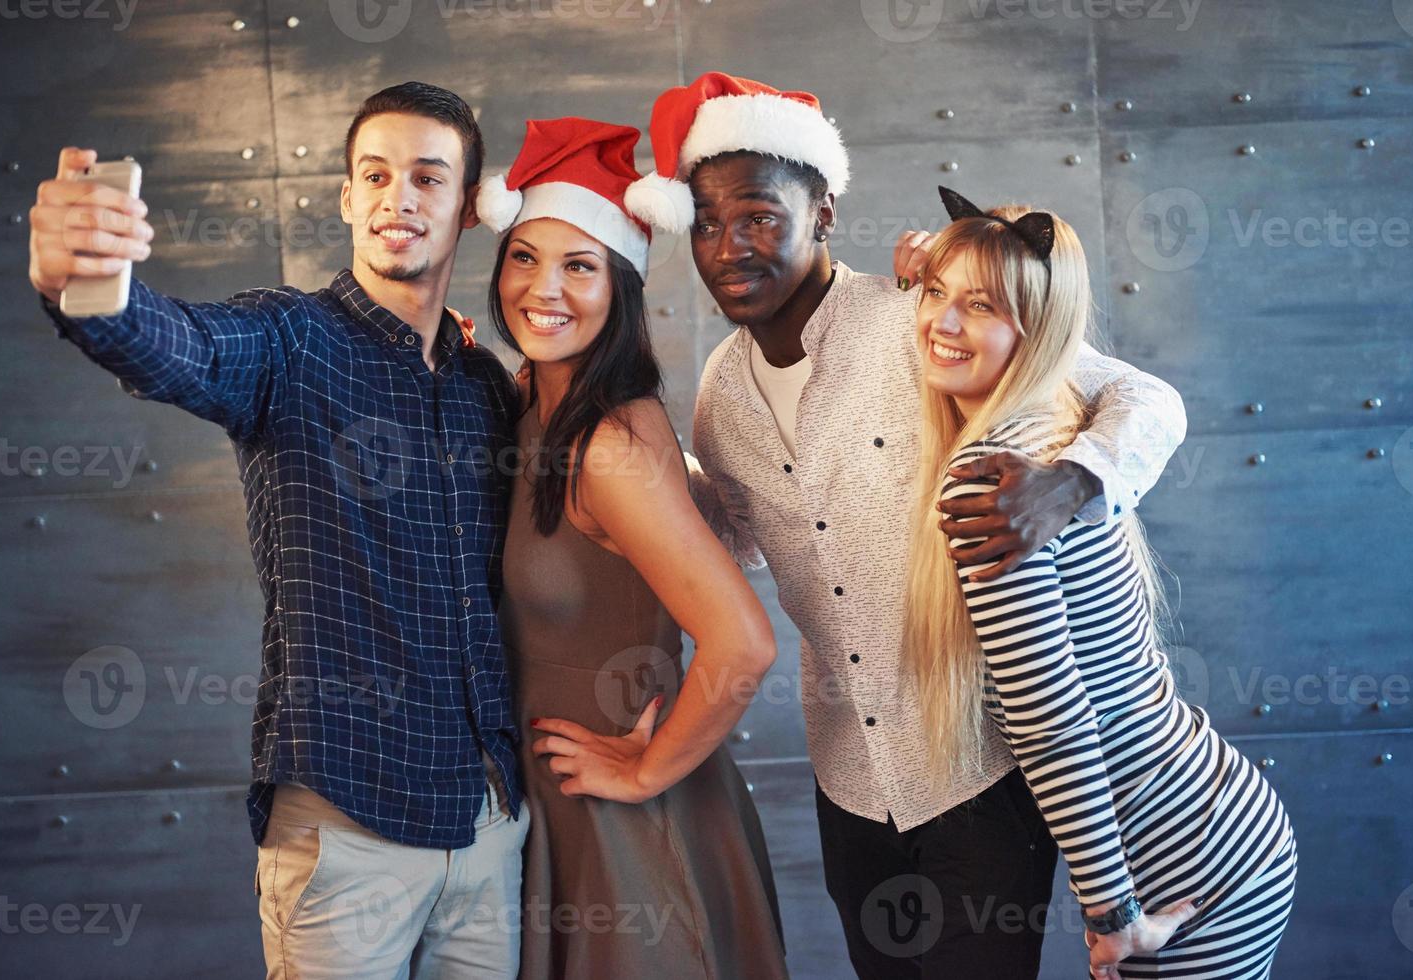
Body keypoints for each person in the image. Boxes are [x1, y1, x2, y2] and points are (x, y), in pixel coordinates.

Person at [623, 71, 1191, 978]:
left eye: (760, 216)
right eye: (705, 222)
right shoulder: (720, 396)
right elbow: (737, 543)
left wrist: (1075, 480)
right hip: (846, 779)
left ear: (824, 213)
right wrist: (633, 466)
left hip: (976, 771)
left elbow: (1142, 396)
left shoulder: (923, 321)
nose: (729, 247)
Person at [28, 82, 529, 978]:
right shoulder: (289, 341)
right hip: (347, 832)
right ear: (345, 198)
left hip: (489, 828)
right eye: (373, 175)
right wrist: (84, 284)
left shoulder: (484, 386)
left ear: (469, 206)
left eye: (427, 177)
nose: (397, 197)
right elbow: (174, 342)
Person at [905, 187, 1297, 979]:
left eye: (977, 306)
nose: (940, 323)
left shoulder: (992, 487)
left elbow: (1050, 719)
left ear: (1036, 330)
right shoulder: (1057, 418)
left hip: (1183, 867)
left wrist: (1113, 914)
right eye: (935, 294)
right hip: (1217, 824)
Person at [478, 116, 789, 979]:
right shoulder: (531, 404)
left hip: (623, 827)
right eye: (524, 256)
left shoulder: (607, 442)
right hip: (555, 809)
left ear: (619, 285)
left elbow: (743, 644)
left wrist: (646, 772)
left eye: (579, 265)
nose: (544, 288)